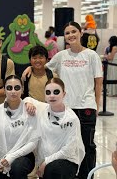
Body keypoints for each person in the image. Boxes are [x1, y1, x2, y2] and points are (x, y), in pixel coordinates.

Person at [22, 21, 103, 179]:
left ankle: (87, 176)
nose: (71, 35)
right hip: (65, 109)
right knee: (67, 146)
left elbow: (98, 82)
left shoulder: (91, 55)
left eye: (74, 31)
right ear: (64, 37)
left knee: (88, 145)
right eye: (67, 33)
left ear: (80, 33)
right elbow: (43, 66)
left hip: (86, 106)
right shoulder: (61, 56)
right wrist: (29, 67)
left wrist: (96, 106)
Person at [24, 78, 85, 179]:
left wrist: (46, 162)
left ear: (64, 94)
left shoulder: (71, 118)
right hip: (44, 164)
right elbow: (27, 99)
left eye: (56, 92)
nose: (52, 95)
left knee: (53, 170)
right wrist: (28, 104)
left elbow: (68, 150)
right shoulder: (42, 108)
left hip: (66, 161)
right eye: (48, 92)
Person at [0, 75, 39, 179]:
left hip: (24, 155)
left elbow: (33, 141)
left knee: (17, 169)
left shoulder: (30, 110)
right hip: (2, 158)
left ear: (22, 89)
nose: (13, 91)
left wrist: (12, 157)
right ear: (4, 90)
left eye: (17, 88)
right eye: (9, 88)